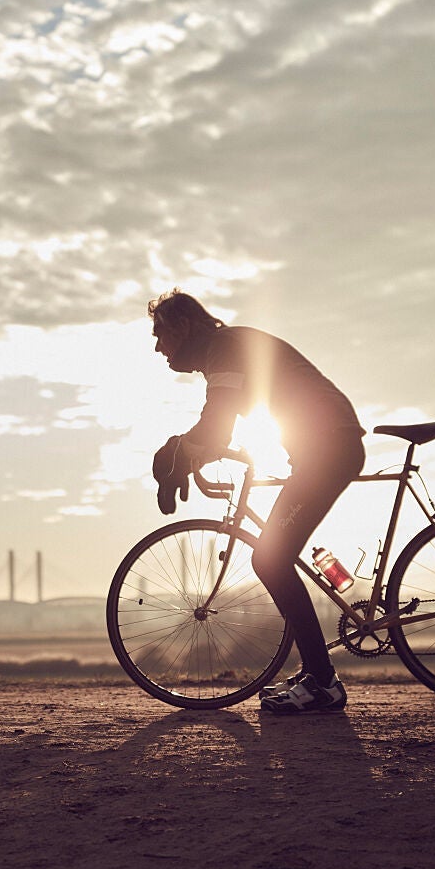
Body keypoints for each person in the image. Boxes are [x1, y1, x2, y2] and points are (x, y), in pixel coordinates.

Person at [148, 290, 365, 715]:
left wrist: (179, 452)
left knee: (270, 560)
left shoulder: (224, 348)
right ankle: (315, 673)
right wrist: (189, 456)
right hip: (324, 449)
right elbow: (218, 431)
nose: (158, 347)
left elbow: (217, 424)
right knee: (273, 557)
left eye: (159, 334)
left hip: (329, 450)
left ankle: (324, 683)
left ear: (183, 326)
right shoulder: (224, 349)